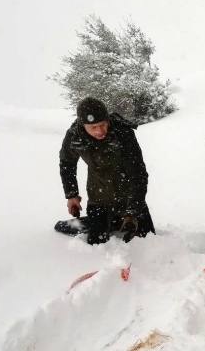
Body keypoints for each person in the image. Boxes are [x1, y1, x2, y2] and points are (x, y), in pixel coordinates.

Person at [59, 97, 155, 245]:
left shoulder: (123, 133)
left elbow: (138, 175)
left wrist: (132, 213)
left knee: (148, 241)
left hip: (129, 197)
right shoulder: (74, 136)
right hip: (98, 198)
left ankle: (119, 219)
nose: (100, 131)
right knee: (97, 243)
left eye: (103, 124)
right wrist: (71, 195)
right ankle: (106, 221)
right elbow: (67, 164)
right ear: (82, 125)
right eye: (93, 127)